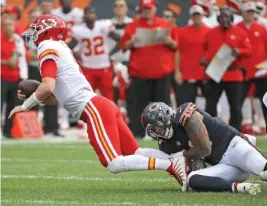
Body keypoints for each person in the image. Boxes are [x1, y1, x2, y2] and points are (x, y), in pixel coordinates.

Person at [8, 14, 188, 192]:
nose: (34, 33)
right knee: (135, 152)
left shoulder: (47, 45)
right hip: (100, 105)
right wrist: (36, 93)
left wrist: (24, 106)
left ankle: (172, 166)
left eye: (37, 29)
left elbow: (48, 86)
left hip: (93, 108)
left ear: (48, 31)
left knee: (113, 163)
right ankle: (182, 158)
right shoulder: (58, 47)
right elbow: (55, 97)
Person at [141, 101, 267, 194]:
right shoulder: (166, 145)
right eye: (154, 130)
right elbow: (183, 171)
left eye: (157, 126)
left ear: (165, 116)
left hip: (234, 146)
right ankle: (241, 187)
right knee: (192, 180)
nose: (158, 131)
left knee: (264, 172)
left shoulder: (185, 115)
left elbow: (205, 148)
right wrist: (188, 167)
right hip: (223, 165)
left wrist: (183, 155)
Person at [120, 0, 178, 138]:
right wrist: (132, 41)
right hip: (140, 74)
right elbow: (123, 46)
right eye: (144, 9)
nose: (147, 12)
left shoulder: (165, 24)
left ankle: (165, 134)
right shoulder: (133, 26)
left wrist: (169, 42)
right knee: (138, 105)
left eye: (149, 9)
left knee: (163, 107)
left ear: (155, 9)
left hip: (162, 73)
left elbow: (176, 46)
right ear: (140, 9)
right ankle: (137, 134)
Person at [200, 7, 252, 131]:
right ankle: (211, 130)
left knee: (235, 105)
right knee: (211, 104)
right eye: (222, 17)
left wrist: (239, 51)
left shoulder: (240, 32)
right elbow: (206, 50)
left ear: (232, 18)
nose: (224, 19)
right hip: (215, 73)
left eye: (227, 17)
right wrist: (204, 59)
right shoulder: (211, 33)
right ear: (218, 18)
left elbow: (249, 51)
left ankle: (236, 131)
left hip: (233, 73)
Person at [68, 6, 121, 101]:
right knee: (87, 97)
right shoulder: (78, 30)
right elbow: (69, 47)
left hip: (104, 67)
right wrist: (75, 55)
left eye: (91, 13)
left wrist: (110, 53)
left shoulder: (103, 26)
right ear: (84, 16)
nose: (89, 15)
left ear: (95, 15)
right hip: (88, 67)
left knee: (108, 97)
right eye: (87, 13)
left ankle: (109, 115)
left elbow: (120, 40)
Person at [237, 2, 267, 134]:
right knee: (239, 99)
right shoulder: (237, 28)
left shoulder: (261, 28)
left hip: (261, 71)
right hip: (243, 70)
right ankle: (242, 125)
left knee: (263, 99)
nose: (251, 14)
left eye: (252, 12)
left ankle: (262, 124)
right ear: (242, 13)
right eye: (248, 12)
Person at [173, 5, 210, 106]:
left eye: (198, 15)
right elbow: (178, 52)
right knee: (188, 105)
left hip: (205, 74)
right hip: (187, 74)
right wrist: (177, 72)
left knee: (209, 104)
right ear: (191, 17)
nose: (196, 17)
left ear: (202, 16)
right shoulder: (183, 32)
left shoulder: (209, 31)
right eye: (194, 15)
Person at [1, 15, 28, 138]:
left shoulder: (18, 40)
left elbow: (22, 59)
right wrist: (6, 62)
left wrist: (24, 77)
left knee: (12, 106)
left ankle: (8, 131)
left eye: (10, 25)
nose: (8, 28)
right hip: (2, 77)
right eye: (5, 25)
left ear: (14, 26)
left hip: (15, 77)